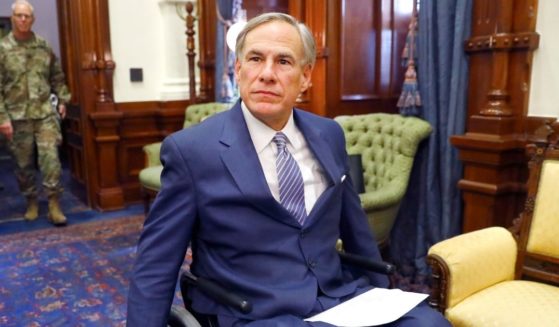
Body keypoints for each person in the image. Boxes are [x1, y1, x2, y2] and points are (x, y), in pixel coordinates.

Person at [127, 12, 450, 327]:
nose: (267, 73)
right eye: (255, 59)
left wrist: (382, 300)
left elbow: (357, 231)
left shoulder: (329, 134)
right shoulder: (192, 151)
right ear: (238, 69)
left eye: (283, 61)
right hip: (255, 312)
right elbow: (156, 264)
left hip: (336, 298)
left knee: (431, 323)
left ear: (306, 76)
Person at [0, 0, 71, 226]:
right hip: (16, 118)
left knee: (51, 160)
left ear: (33, 19)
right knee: (22, 165)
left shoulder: (43, 46)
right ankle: (31, 200)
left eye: (26, 16)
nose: (22, 19)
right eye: (19, 15)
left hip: (44, 115)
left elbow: (57, 76)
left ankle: (53, 203)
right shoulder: (2, 49)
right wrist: (2, 118)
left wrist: (62, 99)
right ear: (12, 18)